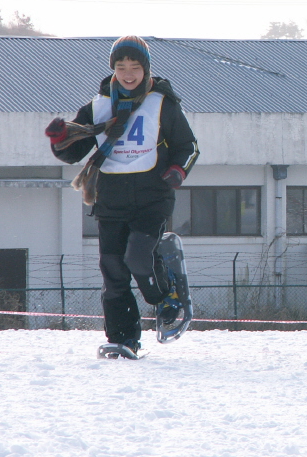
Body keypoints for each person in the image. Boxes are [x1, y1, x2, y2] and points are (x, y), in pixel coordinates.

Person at [45, 35, 199, 356]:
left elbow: (188, 147)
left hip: (152, 196)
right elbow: (73, 151)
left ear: (146, 68)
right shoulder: (98, 106)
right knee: (113, 271)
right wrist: (60, 137)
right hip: (110, 200)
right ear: (113, 68)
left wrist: (177, 171)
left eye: (135, 66)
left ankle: (166, 298)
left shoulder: (162, 103)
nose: (128, 73)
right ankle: (123, 339)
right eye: (121, 66)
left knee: (138, 258)